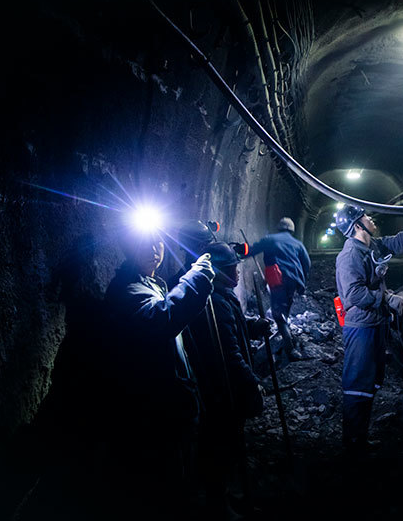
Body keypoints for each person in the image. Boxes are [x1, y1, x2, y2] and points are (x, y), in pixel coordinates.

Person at [103, 225, 215, 520]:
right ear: (129, 247)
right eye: (144, 243)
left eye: (158, 242)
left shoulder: (152, 283)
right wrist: (197, 276)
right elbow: (162, 317)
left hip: (173, 401)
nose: (154, 249)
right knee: (166, 488)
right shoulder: (126, 291)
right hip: (155, 408)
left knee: (183, 477)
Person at [333, 204, 403, 456]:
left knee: (371, 381)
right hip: (361, 327)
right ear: (357, 226)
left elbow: (394, 243)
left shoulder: (371, 246)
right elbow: (353, 294)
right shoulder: (350, 255)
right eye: (365, 216)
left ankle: (359, 439)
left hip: (375, 323)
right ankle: (352, 446)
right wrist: (387, 299)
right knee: (357, 384)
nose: (370, 218)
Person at [185, 242, 266, 521]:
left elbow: (237, 329)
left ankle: (227, 492)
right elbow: (229, 354)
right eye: (232, 267)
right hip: (221, 389)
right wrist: (251, 381)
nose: (238, 272)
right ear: (217, 271)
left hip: (226, 386)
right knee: (219, 443)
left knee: (229, 442)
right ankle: (217, 503)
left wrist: (255, 327)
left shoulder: (224, 295)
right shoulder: (214, 302)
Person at [246, 217, 311, 361]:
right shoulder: (298, 243)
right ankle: (285, 325)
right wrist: (302, 283)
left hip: (278, 280)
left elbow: (250, 251)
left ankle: (290, 349)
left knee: (277, 315)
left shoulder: (270, 239)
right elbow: (307, 263)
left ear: (278, 227)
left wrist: (239, 252)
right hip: (294, 281)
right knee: (285, 308)